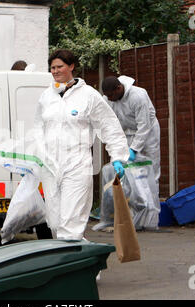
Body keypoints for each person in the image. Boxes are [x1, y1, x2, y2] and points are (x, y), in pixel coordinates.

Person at [34, 49, 130, 240]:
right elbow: (38, 128)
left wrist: (118, 156)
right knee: (54, 222)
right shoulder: (47, 97)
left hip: (77, 165)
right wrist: (34, 157)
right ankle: (86, 266)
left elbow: (108, 125)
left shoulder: (88, 95)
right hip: (51, 167)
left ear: (71, 67)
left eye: (59, 66)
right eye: (52, 67)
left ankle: (71, 267)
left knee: (71, 224)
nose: (55, 71)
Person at [101, 75, 161, 194]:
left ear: (119, 88)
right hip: (127, 133)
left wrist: (134, 149)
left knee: (150, 168)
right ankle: (133, 206)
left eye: (111, 95)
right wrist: (116, 156)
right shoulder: (108, 98)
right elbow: (111, 126)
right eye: (107, 96)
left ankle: (152, 206)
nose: (109, 99)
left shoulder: (138, 96)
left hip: (148, 133)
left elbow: (144, 125)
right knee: (128, 171)